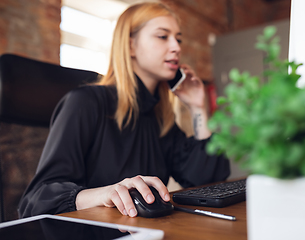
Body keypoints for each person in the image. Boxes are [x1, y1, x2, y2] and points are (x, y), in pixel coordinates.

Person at [18, 2, 230, 218]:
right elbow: (36, 199)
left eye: (178, 38)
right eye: (162, 36)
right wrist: (104, 194)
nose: (176, 47)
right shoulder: (85, 103)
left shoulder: (159, 118)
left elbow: (208, 182)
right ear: (130, 46)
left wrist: (197, 108)